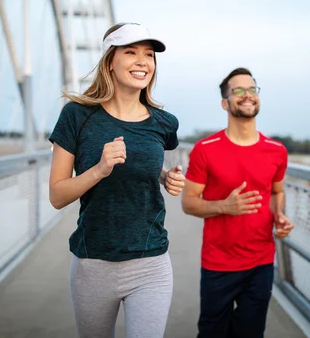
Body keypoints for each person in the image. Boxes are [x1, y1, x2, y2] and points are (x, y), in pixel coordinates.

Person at [48, 22, 186, 338]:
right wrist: (99, 169)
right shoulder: (77, 116)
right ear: (111, 60)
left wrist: (166, 177)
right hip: (93, 264)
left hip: (151, 262)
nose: (142, 62)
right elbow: (57, 195)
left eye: (149, 55)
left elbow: (147, 165)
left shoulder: (164, 122)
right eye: (131, 52)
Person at [181, 67, 295, 338]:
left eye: (253, 89)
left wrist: (279, 216)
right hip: (218, 264)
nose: (248, 95)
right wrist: (224, 206)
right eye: (239, 90)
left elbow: (277, 193)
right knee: (212, 333)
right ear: (225, 102)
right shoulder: (205, 149)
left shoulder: (276, 151)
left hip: (261, 263)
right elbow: (188, 203)